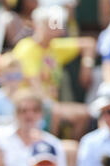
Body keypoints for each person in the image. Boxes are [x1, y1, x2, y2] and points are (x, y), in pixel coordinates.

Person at [12, 5, 96, 140]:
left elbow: (89, 43)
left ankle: (66, 147)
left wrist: (87, 65)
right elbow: (36, 88)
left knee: (84, 113)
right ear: (37, 25)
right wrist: (52, 105)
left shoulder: (55, 46)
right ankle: (47, 147)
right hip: (29, 103)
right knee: (55, 112)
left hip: (50, 103)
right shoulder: (26, 48)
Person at [0, 89, 70, 166]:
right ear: (15, 113)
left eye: (35, 110)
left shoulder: (52, 143)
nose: (29, 115)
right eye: (23, 110)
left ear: (42, 113)